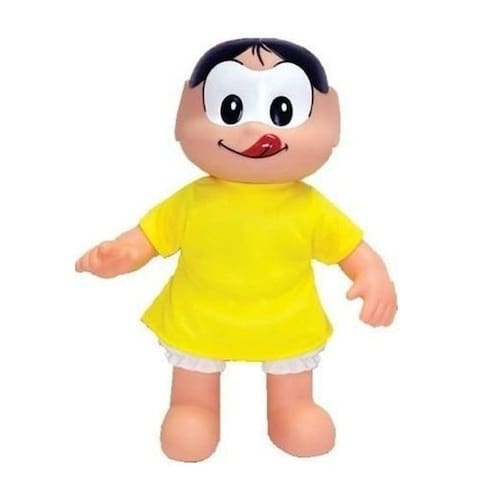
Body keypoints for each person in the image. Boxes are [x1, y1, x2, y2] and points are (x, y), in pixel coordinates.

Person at [75, 38, 397, 462]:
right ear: (184, 112)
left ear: (331, 119)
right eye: (231, 109)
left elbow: (352, 250)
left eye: (281, 110)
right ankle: (194, 407)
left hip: (284, 320)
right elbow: (148, 238)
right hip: (200, 317)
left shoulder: (309, 206)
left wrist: (374, 275)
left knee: (297, 404)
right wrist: (122, 254)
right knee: (191, 408)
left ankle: (290, 410)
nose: (254, 130)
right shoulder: (192, 200)